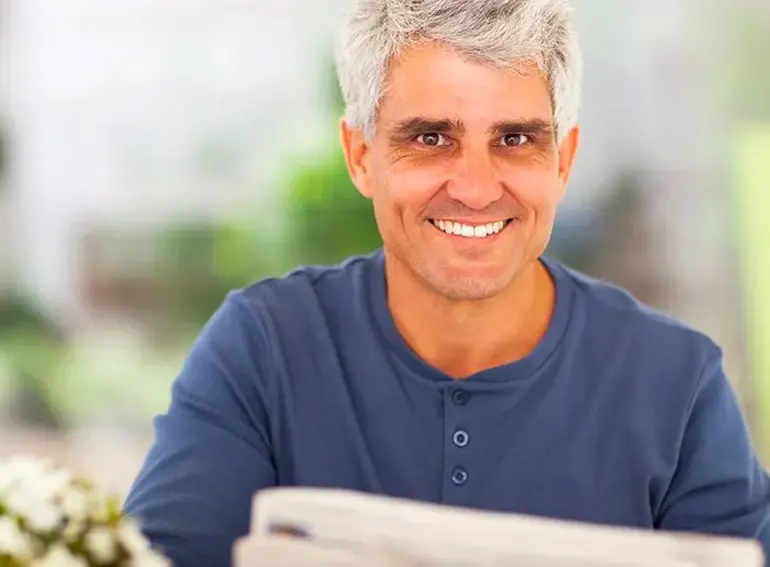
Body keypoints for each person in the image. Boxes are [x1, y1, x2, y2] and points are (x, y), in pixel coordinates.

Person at [123, 0, 770, 565]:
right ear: (360, 156)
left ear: (563, 161)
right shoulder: (263, 351)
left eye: (515, 139)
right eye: (431, 138)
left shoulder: (677, 381)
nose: (476, 188)